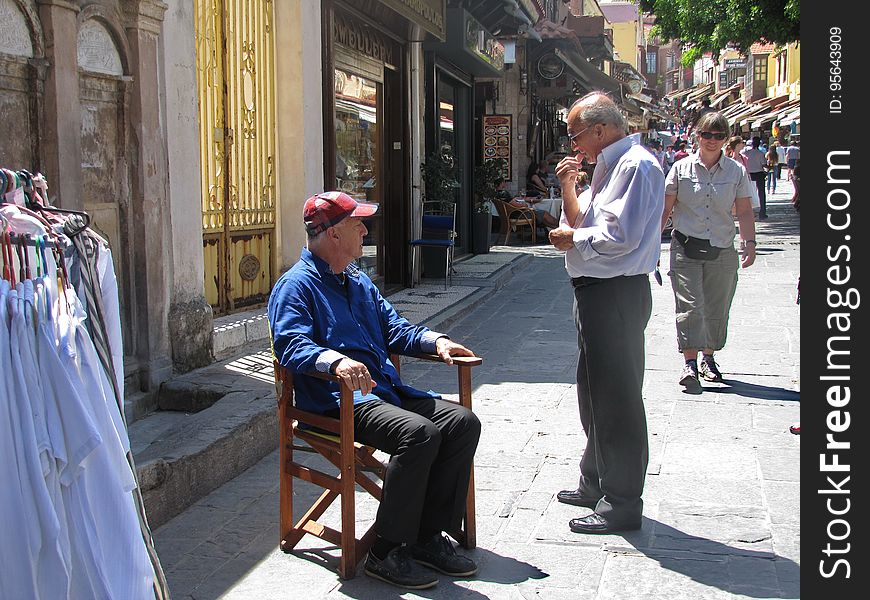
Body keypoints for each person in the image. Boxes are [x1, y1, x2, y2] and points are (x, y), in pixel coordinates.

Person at [268, 191, 481, 590]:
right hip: (335, 403)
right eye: (357, 224)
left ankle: (424, 536)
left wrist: (435, 341)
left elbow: (395, 327)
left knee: (463, 423)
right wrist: (335, 361)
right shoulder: (294, 286)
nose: (366, 230)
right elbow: (290, 345)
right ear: (332, 234)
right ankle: (384, 551)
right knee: (418, 434)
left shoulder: (358, 281)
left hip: (382, 391)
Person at [548, 92, 664, 535]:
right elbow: (583, 221)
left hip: (616, 292)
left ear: (600, 129)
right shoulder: (608, 165)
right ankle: (596, 478)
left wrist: (572, 242)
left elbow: (621, 236)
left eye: (577, 135)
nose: (575, 145)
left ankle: (621, 501)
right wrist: (568, 189)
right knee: (593, 391)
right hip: (596, 291)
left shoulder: (635, 165)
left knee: (617, 399)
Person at [660, 111, 757, 394]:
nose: (712, 141)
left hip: (722, 246)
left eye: (718, 136)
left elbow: (745, 210)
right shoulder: (680, 169)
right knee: (690, 305)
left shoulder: (736, 171)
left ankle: (708, 357)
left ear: (726, 139)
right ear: (697, 136)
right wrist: (650, 245)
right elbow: (665, 209)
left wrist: (749, 244)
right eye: (706, 135)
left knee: (717, 306)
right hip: (686, 245)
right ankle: (689, 362)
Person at [495, 181, 559, 231]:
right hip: (521, 215)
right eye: (504, 182)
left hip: (513, 215)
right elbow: (518, 206)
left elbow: (512, 203)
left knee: (543, 219)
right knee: (545, 214)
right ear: (501, 183)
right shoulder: (504, 194)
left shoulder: (497, 195)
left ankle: (558, 229)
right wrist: (525, 204)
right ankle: (560, 226)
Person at [741, 136, 768, 219]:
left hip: (749, 174)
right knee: (761, 193)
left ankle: (747, 211)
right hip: (759, 173)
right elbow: (763, 164)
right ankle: (762, 212)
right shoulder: (760, 154)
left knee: (747, 193)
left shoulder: (746, 153)